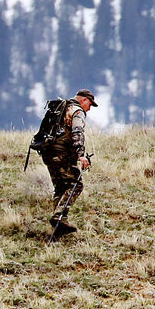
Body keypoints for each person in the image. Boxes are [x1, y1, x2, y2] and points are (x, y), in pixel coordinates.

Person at [42, 89, 97, 240]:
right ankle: (60, 216)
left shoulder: (62, 108)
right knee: (76, 184)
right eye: (90, 105)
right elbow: (77, 132)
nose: (89, 108)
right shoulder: (77, 111)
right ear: (84, 100)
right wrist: (81, 155)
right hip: (62, 154)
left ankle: (57, 224)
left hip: (48, 152)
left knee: (60, 186)